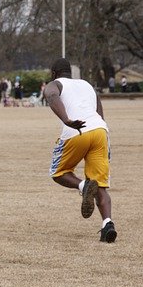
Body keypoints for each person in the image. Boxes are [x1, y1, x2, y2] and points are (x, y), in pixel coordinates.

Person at [44, 58, 117, 243]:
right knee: (100, 184)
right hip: (100, 131)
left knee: (58, 172)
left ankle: (83, 186)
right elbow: (99, 112)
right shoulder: (88, 85)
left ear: (54, 73)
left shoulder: (55, 84)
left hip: (76, 131)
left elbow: (51, 96)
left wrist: (67, 120)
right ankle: (107, 223)